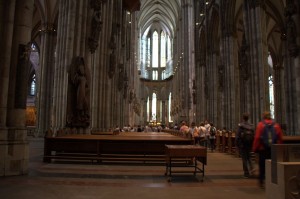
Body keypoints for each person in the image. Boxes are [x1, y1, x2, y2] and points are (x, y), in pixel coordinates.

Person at [252, 111, 283, 188]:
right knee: (273, 165)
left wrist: (255, 148)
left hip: (263, 149)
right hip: (274, 148)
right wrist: (279, 148)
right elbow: (280, 138)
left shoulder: (260, 125)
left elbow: (257, 138)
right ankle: (274, 181)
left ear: (263, 117)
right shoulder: (276, 125)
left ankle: (261, 182)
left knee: (262, 165)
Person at [236, 113, 254, 178]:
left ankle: (246, 173)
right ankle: (252, 167)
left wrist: (237, 145)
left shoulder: (241, 126)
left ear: (243, 118)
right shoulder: (251, 126)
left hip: (243, 144)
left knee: (244, 159)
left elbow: (238, 136)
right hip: (249, 144)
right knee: (249, 157)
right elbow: (253, 135)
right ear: (248, 118)